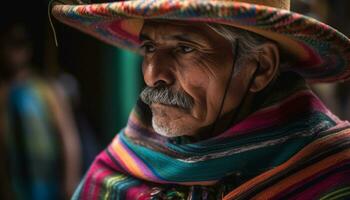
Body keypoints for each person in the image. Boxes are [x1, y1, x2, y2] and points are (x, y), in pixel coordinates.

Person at [52, 0, 350, 199]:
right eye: (150, 47)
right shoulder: (121, 169)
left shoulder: (334, 172)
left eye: (185, 49)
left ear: (260, 67)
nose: (154, 74)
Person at [0, 21, 82, 199]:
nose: (15, 50)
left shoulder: (46, 89)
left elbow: (68, 136)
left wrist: (70, 179)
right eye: (9, 43)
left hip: (47, 182)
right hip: (15, 182)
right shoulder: (4, 92)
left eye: (20, 43)